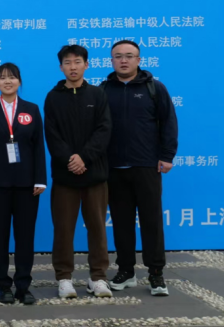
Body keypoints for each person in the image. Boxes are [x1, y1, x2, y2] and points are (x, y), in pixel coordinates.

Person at [101, 40, 178, 296]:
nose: (123, 60)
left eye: (129, 56)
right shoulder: (103, 90)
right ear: (111, 60)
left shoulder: (154, 88)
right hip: (114, 167)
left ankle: (156, 273)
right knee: (121, 221)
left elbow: (168, 122)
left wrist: (167, 156)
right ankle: (126, 270)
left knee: (151, 221)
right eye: (118, 56)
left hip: (147, 165)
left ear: (139, 60)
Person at [44, 45, 113, 299]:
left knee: (97, 227)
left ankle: (98, 277)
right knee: (63, 229)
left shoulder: (97, 94)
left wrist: (84, 157)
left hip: (94, 173)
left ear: (86, 64)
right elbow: (52, 135)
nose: (72, 67)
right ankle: (64, 278)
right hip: (65, 176)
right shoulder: (53, 97)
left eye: (77, 62)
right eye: (67, 62)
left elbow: (104, 129)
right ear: (60, 67)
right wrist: (70, 160)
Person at [0, 63, 47, 305]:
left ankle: (23, 286)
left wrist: (40, 179)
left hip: (27, 184)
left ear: (19, 81)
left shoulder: (31, 109)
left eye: (12, 77)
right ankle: (3, 285)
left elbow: (38, 147)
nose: (7, 81)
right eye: (2, 78)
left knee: (25, 237)